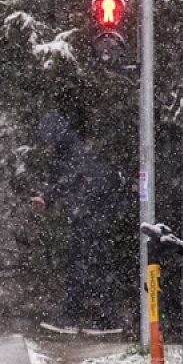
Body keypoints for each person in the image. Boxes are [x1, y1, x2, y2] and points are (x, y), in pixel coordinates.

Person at [30, 113, 126, 335]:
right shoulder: (74, 151)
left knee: (83, 267)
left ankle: (79, 319)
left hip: (90, 217)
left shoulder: (72, 153)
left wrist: (49, 196)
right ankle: (100, 320)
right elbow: (72, 180)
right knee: (89, 267)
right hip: (91, 216)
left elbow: (71, 180)